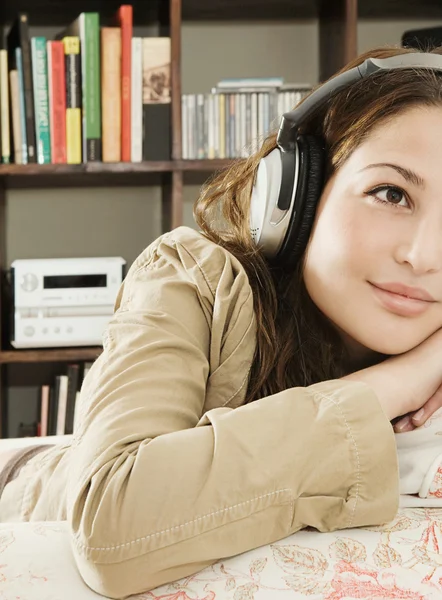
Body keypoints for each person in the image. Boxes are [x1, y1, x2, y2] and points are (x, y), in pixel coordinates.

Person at [1, 44, 442, 598]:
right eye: (390, 193)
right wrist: (396, 384)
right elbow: (112, 527)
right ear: (295, 193)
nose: (424, 256)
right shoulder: (193, 277)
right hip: (26, 483)